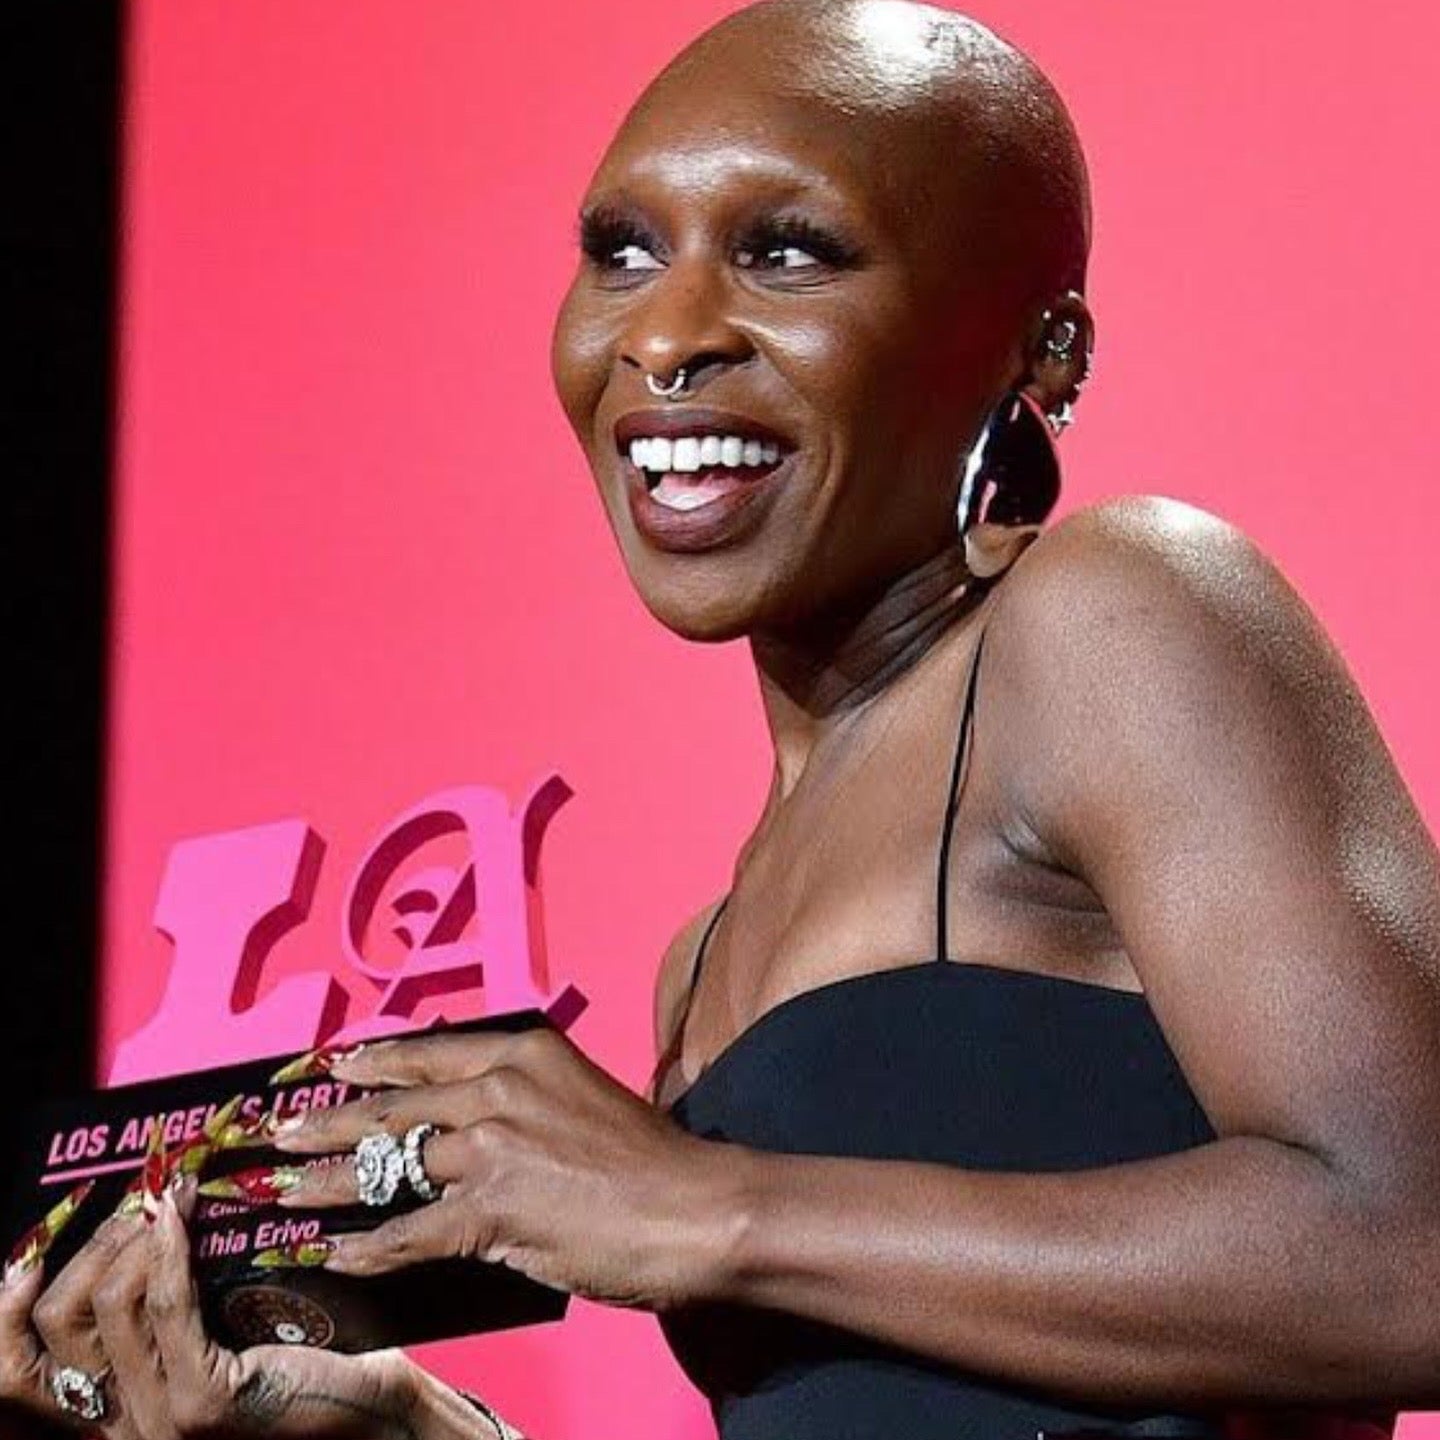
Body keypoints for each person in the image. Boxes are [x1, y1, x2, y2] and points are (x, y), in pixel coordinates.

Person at [5, 1, 1439, 1437]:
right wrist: (401, 1427)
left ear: (1043, 350)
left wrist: (706, 1205)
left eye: (787, 251)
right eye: (622, 253)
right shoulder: (703, 964)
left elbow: (1414, 1256)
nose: (669, 334)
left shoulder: (1114, 614)